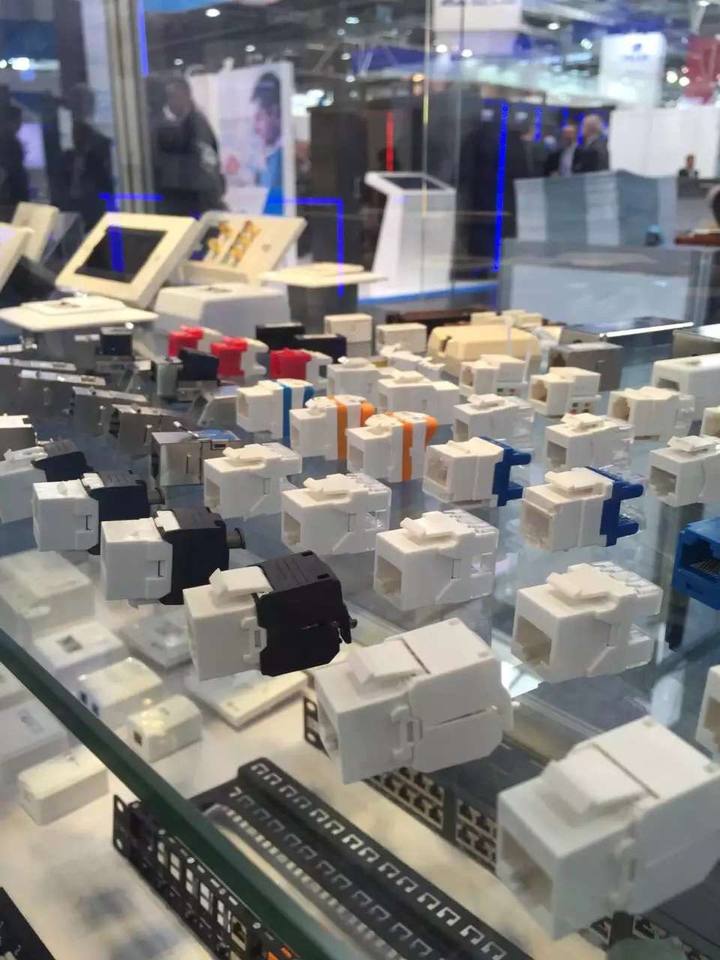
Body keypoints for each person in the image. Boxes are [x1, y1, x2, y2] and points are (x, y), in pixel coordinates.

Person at [155, 76, 225, 217]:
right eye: (168, 97)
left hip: (198, 201)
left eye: (173, 96)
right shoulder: (178, 126)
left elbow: (208, 161)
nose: (170, 102)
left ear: (186, 95)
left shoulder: (196, 125)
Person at [62, 84, 113, 231]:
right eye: (75, 103)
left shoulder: (100, 142)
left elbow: (104, 180)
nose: (77, 108)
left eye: (80, 102)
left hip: (93, 208)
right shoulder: (66, 143)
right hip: (72, 206)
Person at [251, 72, 283, 212]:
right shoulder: (264, 158)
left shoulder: (283, 159)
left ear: (275, 113)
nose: (255, 128)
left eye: (259, 117)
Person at [0, 104, 30, 209]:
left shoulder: (13, 141)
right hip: (10, 195)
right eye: (17, 121)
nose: (20, 125)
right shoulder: (8, 142)